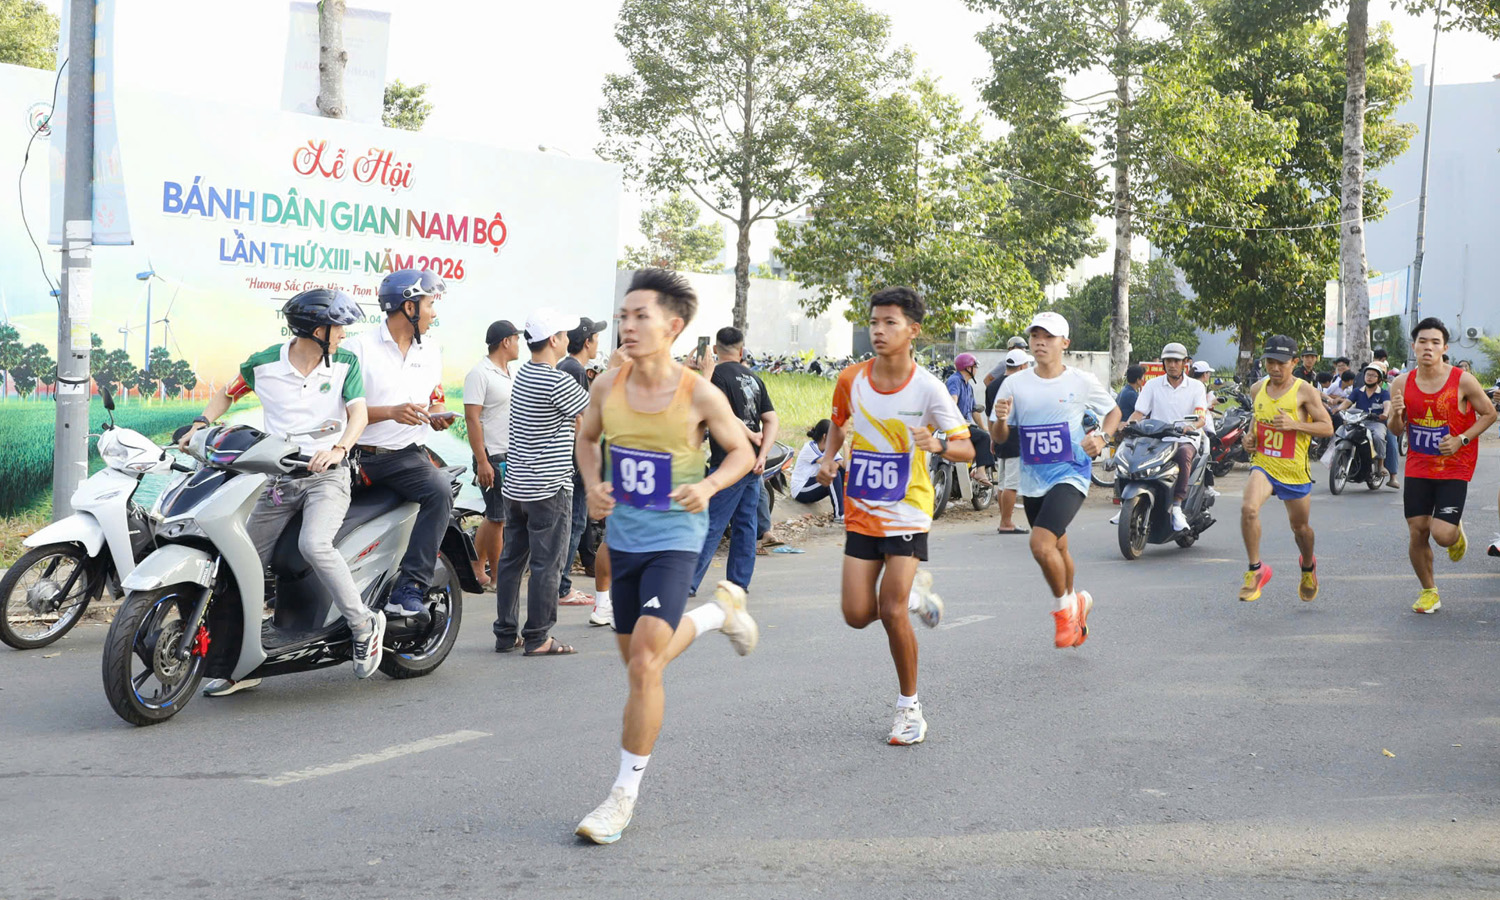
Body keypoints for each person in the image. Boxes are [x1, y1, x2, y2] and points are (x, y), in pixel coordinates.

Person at [572, 268, 758, 844]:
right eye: (624, 316)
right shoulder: (607, 385)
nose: (627, 326)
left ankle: (620, 796)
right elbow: (585, 437)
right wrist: (595, 481)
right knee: (636, 664)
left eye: (640, 316)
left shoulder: (699, 392)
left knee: (647, 665)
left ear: (673, 326)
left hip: (675, 541)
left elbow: (742, 453)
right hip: (623, 540)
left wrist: (707, 487)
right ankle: (716, 615)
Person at [183, 290, 384, 696]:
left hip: (327, 476)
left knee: (314, 543)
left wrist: (339, 449)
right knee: (243, 563)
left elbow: (358, 413)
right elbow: (227, 392)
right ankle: (245, 660)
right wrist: (199, 423)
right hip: (277, 480)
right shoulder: (263, 364)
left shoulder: (345, 363)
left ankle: (364, 624)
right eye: (338, 327)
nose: (344, 334)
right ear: (316, 330)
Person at [819, 285, 972, 746]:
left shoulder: (928, 387)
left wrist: (939, 444)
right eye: (874, 322)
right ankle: (916, 599)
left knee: (887, 610)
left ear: (913, 330)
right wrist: (829, 457)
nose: (879, 330)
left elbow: (965, 447)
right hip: (862, 509)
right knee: (855, 613)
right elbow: (838, 424)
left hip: (907, 510)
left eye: (890, 322)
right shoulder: (850, 379)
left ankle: (910, 710)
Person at [992, 311, 1119, 649]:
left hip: (1071, 472)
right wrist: (1002, 420)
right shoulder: (1014, 383)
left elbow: (1114, 412)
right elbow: (1000, 437)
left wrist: (1103, 439)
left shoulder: (1081, 381)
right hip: (1034, 479)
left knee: (1040, 544)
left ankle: (1064, 613)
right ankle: (1076, 601)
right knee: (1058, 546)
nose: (1040, 342)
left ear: (1065, 343)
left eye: (1048, 336)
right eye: (1035, 335)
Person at [345, 268, 455, 621]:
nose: (434, 312)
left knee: (439, 490)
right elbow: (338, 411)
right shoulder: (357, 348)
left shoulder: (431, 349)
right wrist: (390, 412)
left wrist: (438, 414)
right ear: (409, 307)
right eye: (429, 303)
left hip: (405, 457)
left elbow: (435, 397)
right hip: (357, 456)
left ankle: (409, 587)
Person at [492, 308, 592, 656]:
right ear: (553, 340)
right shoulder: (557, 381)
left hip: (516, 487)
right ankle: (538, 637)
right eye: (564, 334)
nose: (568, 340)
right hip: (548, 489)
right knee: (546, 565)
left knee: (511, 562)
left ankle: (506, 633)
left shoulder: (523, 375)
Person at [1389, 318, 1498, 614]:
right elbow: (1396, 429)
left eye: (1435, 342)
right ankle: (1429, 591)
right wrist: (1396, 414)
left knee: (1441, 535)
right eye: (1423, 341)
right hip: (1418, 466)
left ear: (1444, 348)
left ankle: (1454, 531)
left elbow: (1488, 414)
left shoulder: (1462, 380)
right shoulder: (1401, 383)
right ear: (1414, 346)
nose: (1428, 347)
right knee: (1417, 531)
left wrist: (1461, 439)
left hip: (1454, 466)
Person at [1236, 335, 1334, 604]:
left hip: (1294, 471)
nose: (1275, 368)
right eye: (1270, 362)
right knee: (1248, 509)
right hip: (1264, 464)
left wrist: (1295, 425)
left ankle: (1307, 567)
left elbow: (1327, 427)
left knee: (1301, 529)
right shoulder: (1257, 388)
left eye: (1281, 363)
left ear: (1293, 362)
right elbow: (1258, 420)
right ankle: (1256, 570)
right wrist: (1250, 438)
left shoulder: (1304, 391)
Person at [689, 326, 779, 596]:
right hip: (753, 463)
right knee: (746, 524)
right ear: (741, 351)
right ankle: (738, 583)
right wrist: (762, 453)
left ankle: (687, 582)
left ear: (714, 350)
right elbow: (772, 419)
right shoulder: (754, 378)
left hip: (728, 462)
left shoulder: (714, 377)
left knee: (712, 523)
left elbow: (723, 415)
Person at [463, 320, 521, 592]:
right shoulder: (480, 373)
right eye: (516, 339)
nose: (519, 344)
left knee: (494, 516)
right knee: (499, 519)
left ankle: (477, 567)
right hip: (492, 456)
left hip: (507, 453)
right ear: (506, 342)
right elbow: (472, 419)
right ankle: (499, 579)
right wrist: (483, 460)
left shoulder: (508, 372)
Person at [1127, 342, 1208, 534]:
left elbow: (1201, 417)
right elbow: (1139, 412)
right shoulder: (1152, 385)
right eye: (1168, 361)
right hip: (1156, 439)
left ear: (1185, 363)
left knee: (1183, 455)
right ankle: (1127, 503)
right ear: (1163, 363)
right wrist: (1128, 424)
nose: (1172, 364)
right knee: (1130, 452)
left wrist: (1192, 426)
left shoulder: (1196, 387)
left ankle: (1178, 506)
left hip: (1184, 438)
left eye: (1176, 361)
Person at [558, 317, 609, 608]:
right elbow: (580, 421)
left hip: (567, 458)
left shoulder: (566, 367)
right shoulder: (575, 370)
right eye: (596, 338)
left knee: (571, 524)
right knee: (575, 524)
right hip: (574, 460)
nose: (597, 343)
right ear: (587, 341)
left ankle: (559, 583)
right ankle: (562, 587)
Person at [988, 349, 1032, 534]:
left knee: (1003, 481)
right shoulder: (1019, 385)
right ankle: (1006, 522)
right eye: (1027, 365)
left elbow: (991, 416)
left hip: (999, 436)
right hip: (1014, 437)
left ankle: (1004, 518)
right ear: (1021, 366)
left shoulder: (991, 386)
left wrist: (993, 438)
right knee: (1012, 483)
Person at [945, 353, 995, 486]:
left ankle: (972, 469)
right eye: (975, 366)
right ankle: (980, 471)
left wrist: (983, 426)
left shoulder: (969, 387)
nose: (976, 370)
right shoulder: (954, 380)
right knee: (984, 438)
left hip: (965, 425)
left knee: (984, 434)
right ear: (968, 368)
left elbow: (974, 410)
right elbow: (952, 401)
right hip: (956, 426)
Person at [1349, 362, 1396, 488]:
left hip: (1380, 421)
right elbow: (1348, 402)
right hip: (1360, 420)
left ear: (1380, 377)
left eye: (1374, 375)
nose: (1370, 377)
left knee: (1383, 438)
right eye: (1368, 374)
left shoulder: (1387, 390)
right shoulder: (1358, 390)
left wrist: (1385, 414)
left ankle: (1386, 470)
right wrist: (1338, 409)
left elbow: (1388, 405)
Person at [790, 419, 844, 518]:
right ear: (825, 436)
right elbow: (830, 465)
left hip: (813, 484)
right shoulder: (810, 448)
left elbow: (845, 466)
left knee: (843, 471)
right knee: (833, 474)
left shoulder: (830, 448)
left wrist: (845, 445)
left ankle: (845, 509)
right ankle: (840, 515)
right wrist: (837, 464)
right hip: (801, 490)